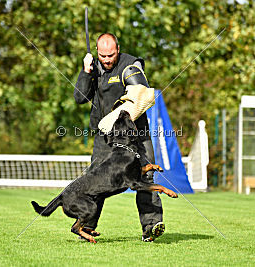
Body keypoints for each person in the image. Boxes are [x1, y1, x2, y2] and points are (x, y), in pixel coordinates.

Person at [74, 33, 164, 242]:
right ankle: (85, 227)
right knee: (95, 179)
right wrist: (86, 70)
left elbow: (140, 87)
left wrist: (135, 72)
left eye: (111, 55)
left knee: (146, 176)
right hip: (105, 136)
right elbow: (79, 97)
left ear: (118, 50)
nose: (106, 60)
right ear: (97, 52)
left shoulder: (128, 64)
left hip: (135, 134)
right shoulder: (94, 66)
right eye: (102, 55)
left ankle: (151, 226)